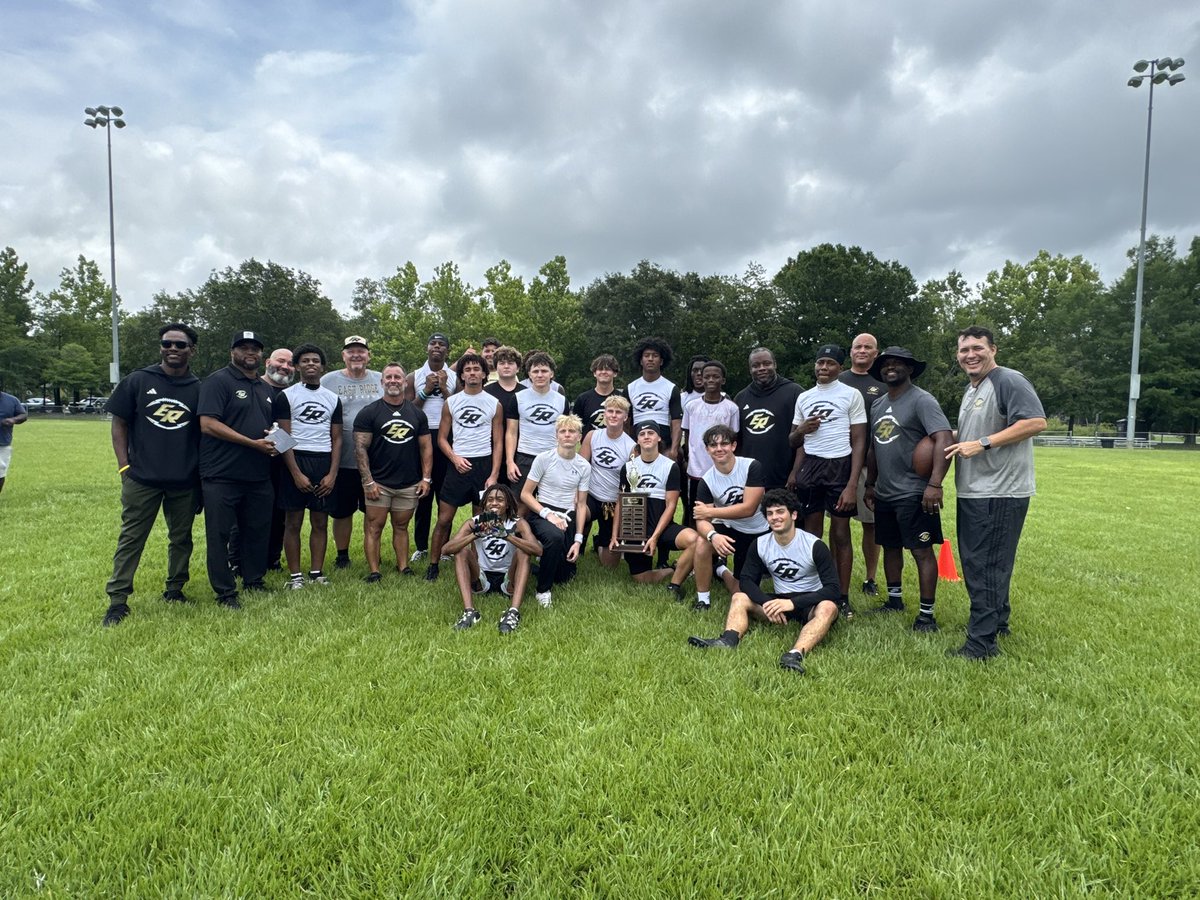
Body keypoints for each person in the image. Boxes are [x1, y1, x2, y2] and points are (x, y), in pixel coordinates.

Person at [945, 326, 1047, 660]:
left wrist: (983, 443)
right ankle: (997, 621)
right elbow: (976, 430)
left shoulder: (1008, 380)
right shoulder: (973, 388)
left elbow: (1034, 422)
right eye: (964, 350)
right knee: (990, 561)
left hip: (999, 491)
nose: (970, 355)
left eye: (977, 348)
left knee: (983, 564)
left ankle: (981, 644)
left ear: (994, 350)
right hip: (976, 490)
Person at [101, 324, 202, 627]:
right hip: (142, 478)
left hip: (184, 479)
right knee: (132, 538)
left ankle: (175, 588)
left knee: (181, 538)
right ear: (160, 347)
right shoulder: (138, 381)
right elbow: (119, 424)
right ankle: (118, 601)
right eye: (167, 344)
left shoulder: (200, 387)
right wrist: (123, 466)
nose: (173, 349)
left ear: (191, 350)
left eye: (180, 345)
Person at [688, 489, 840, 675]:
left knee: (829, 607)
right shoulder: (760, 544)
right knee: (739, 597)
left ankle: (794, 655)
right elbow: (746, 581)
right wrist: (766, 602)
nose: (775, 517)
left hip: (809, 604)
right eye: (770, 513)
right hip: (776, 604)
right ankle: (728, 640)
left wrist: (792, 603)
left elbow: (833, 589)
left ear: (793, 515)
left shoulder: (814, 545)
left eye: (780, 512)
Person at [864, 346, 953, 632]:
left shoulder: (922, 400)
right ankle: (894, 600)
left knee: (921, 550)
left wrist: (934, 484)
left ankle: (927, 615)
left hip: (914, 491)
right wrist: (870, 483)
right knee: (889, 546)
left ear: (910, 369)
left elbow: (943, 439)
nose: (891, 368)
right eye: (886, 364)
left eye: (898, 364)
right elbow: (874, 448)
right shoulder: (877, 405)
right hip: (885, 491)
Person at [198, 331, 279, 609]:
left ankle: (254, 579)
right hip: (222, 474)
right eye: (244, 348)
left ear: (261, 356)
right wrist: (252, 443)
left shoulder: (265, 388)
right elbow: (208, 424)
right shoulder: (218, 381)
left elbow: (269, 426)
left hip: (258, 474)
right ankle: (225, 591)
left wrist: (274, 437)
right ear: (232, 351)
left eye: (255, 349)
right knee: (219, 535)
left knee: (256, 530)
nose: (250, 353)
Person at [787, 344, 866, 617]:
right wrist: (795, 472)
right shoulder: (804, 397)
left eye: (830, 363)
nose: (823, 368)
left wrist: (852, 484)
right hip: (810, 466)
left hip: (840, 465)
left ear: (839, 368)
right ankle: (812, 590)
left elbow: (859, 440)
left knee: (841, 534)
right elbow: (794, 441)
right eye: (820, 363)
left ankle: (842, 596)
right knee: (811, 534)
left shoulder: (851, 395)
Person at [426, 353, 503, 581]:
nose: (472, 373)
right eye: (467, 369)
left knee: (481, 521)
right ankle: (433, 564)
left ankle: (477, 565)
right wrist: (455, 458)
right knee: (444, 519)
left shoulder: (494, 404)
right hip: (458, 465)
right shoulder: (452, 402)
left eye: (476, 369)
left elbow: (498, 442)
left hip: (483, 466)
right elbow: (441, 438)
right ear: (461, 375)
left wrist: (493, 475)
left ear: (484, 374)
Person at [354, 363, 433, 581]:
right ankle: (374, 571)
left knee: (401, 526)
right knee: (374, 527)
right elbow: (360, 448)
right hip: (379, 483)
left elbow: (426, 447)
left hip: (408, 483)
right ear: (382, 382)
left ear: (405, 382)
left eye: (397, 377)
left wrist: (426, 478)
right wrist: (368, 481)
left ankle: (403, 566)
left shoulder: (417, 414)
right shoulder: (369, 412)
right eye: (388, 377)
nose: (393, 381)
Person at [273, 344, 343, 590]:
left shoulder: (332, 398)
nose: (311, 364)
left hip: (322, 460)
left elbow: (337, 438)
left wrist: (332, 474)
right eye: (305, 361)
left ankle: (316, 572)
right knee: (292, 522)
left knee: (320, 522)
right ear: (296, 366)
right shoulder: (286, 396)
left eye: (315, 360)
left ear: (323, 367)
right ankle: (295, 577)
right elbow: (280, 435)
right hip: (295, 459)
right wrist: (295, 473)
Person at [443, 484, 543, 633]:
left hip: (508, 578)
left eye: (499, 500)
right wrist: (475, 534)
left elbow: (538, 550)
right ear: (484, 503)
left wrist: (507, 536)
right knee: (461, 552)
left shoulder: (518, 523)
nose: (494, 503)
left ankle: (513, 613)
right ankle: (470, 612)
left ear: (508, 504)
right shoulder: (474, 522)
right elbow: (446, 549)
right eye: (489, 499)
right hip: (481, 577)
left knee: (523, 552)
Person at [691, 424, 768, 612]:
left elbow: (749, 508)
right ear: (707, 450)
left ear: (733, 446)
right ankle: (703, 599)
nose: (719, 449)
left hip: (756, 531)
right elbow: (700, 520)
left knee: (740, 592)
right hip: (730, 528)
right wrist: (713, 536)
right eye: (713, 445)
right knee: (702, 543)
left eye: (724, 444)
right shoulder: (707, 480)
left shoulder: (751, 466)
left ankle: (721, 570)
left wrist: (712, 512)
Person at [615, 421, 697, 597]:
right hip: (635, 530)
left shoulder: (670, 466)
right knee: (641, 578)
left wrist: (655, 536)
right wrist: (615, 535)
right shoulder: (628, 467)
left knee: (695, 540)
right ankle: (672, 569)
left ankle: (675, 583)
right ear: (637, 439)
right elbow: (621, 502)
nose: (646, 437)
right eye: (642, 434)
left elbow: (671, 505)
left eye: (651, 433)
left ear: (659, 437)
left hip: (661, 526)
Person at [321, 336, 383, 570]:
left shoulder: (380, 379)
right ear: (343, 355)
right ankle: (342, 554)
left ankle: (373, 551)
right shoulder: (328, 380)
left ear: (368, 355)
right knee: (342, 511)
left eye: (361, 351)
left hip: (375, 459)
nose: (356, 355)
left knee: (373, 510)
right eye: (351, 351)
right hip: (342, 458)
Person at [520, 414, 590, 608]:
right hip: (542, 511)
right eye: (563, 431)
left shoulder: (584, 466)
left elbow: (582, 504)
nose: (567, 435)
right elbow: (525, 494)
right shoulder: (543, 459)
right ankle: (542, 591)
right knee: (555, 537)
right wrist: (548, 514)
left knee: (564, 577)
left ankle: (542, 561)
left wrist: (578, 541)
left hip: (567, 515)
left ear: (579, 437)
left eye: (572, 431)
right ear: (556, 436)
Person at [839, 333, 885, 597]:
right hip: (841, 461)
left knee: (871, 523)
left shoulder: (881, 382)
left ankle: (870, 578)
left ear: (876, 353)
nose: (863, 350)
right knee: (839, 522)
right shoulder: (839, 380)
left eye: (868, 347)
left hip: (872, 462)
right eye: (858, 346)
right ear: (851, 351)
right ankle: (835, 571)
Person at [407, 333, 459, 563]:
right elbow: (410, 409)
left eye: (442, 345)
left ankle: (444, 546)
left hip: (448, 437)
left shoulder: (456, 376)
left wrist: (446, 388)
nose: (437, 347)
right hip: (422, 434)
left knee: (445, 495)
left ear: (447, 351)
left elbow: (461, 407)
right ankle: (421, 546)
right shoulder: (414, 376)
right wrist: (426, 390)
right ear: (427, 348)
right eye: (433, 344)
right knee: (423, 493)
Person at [734, 347, 802, 491]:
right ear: (750, 369)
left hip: (785, 478)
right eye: (756, 365)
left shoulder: (795, 393)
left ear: (775, 364)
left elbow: (804, 438)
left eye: (766, 363)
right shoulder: (741, 398)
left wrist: (795, 472)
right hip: (750, 479)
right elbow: (737, 442)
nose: (761, 368)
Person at [580, 395, 636, 566]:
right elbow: (580, 468)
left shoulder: (631, 446)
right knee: (576, 513)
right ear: (604, 414)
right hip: (592, 496)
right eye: (610, 411)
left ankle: (600, 544)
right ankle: (572, 544)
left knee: (610, 565)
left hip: (612, 503)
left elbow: (629, 486)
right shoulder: (592, 436)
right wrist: (577, 497)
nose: (613, 415)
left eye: (618, 412)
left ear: (625, 417)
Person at [681, 360, 740, 525]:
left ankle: (718, 549)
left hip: (721, 471)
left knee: (719, 516)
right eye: (707, 377)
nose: (710, 380)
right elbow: (688, 435)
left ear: (723, 380)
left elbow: (734, 439)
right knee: (697, 515)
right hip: (696, 472)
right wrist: (688, 460)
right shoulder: (691, 406)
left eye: (715, 376)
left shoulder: (731, 408)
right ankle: (697, 547)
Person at [506, 350, 567, 507]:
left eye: (544, 371)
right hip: (525, 458)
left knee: (552, 505)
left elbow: (565, 435)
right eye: (536, 371)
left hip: (553, 458)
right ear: (529, 374)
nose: (540, 375)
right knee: (520, 507)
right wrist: (510, 462)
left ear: (551, 374)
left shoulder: (562, 401)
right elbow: (511, 433)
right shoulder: (518, 398)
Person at [261, 348, 295, 570]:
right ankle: (236, 560)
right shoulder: (255, 387)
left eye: (290, 363)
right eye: (280, 361)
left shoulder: (292, 394)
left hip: (285, 461)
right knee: (251, 513)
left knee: (280, 513)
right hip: (256, 460)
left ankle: (273, 558)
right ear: (267, 362)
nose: (284, 366)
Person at [626, 337, 683, 459]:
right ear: (641, 360)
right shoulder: (630, 388)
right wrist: (630, 447)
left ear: (661, 361)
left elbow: (676, 422)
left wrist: (673, 449)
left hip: (664, 445)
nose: (650, 359)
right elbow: (626, 423)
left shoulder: (671, 388)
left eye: (655, 355)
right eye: (646, 355)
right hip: (638, 444)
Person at [573, 354, 628, 436]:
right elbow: (575, 428)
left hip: (617, 446)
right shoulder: (582, 399)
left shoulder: (623, 398)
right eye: (600, 369)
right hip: (590, 446)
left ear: (615, 373)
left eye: (608, 369)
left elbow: (628, 425)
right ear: (594, 373)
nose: (603, 372)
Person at [0, 390, 28, 495]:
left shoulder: (11, 400)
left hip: (2, 441)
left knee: (0, 471)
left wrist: (14, 420)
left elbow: (23, 415)